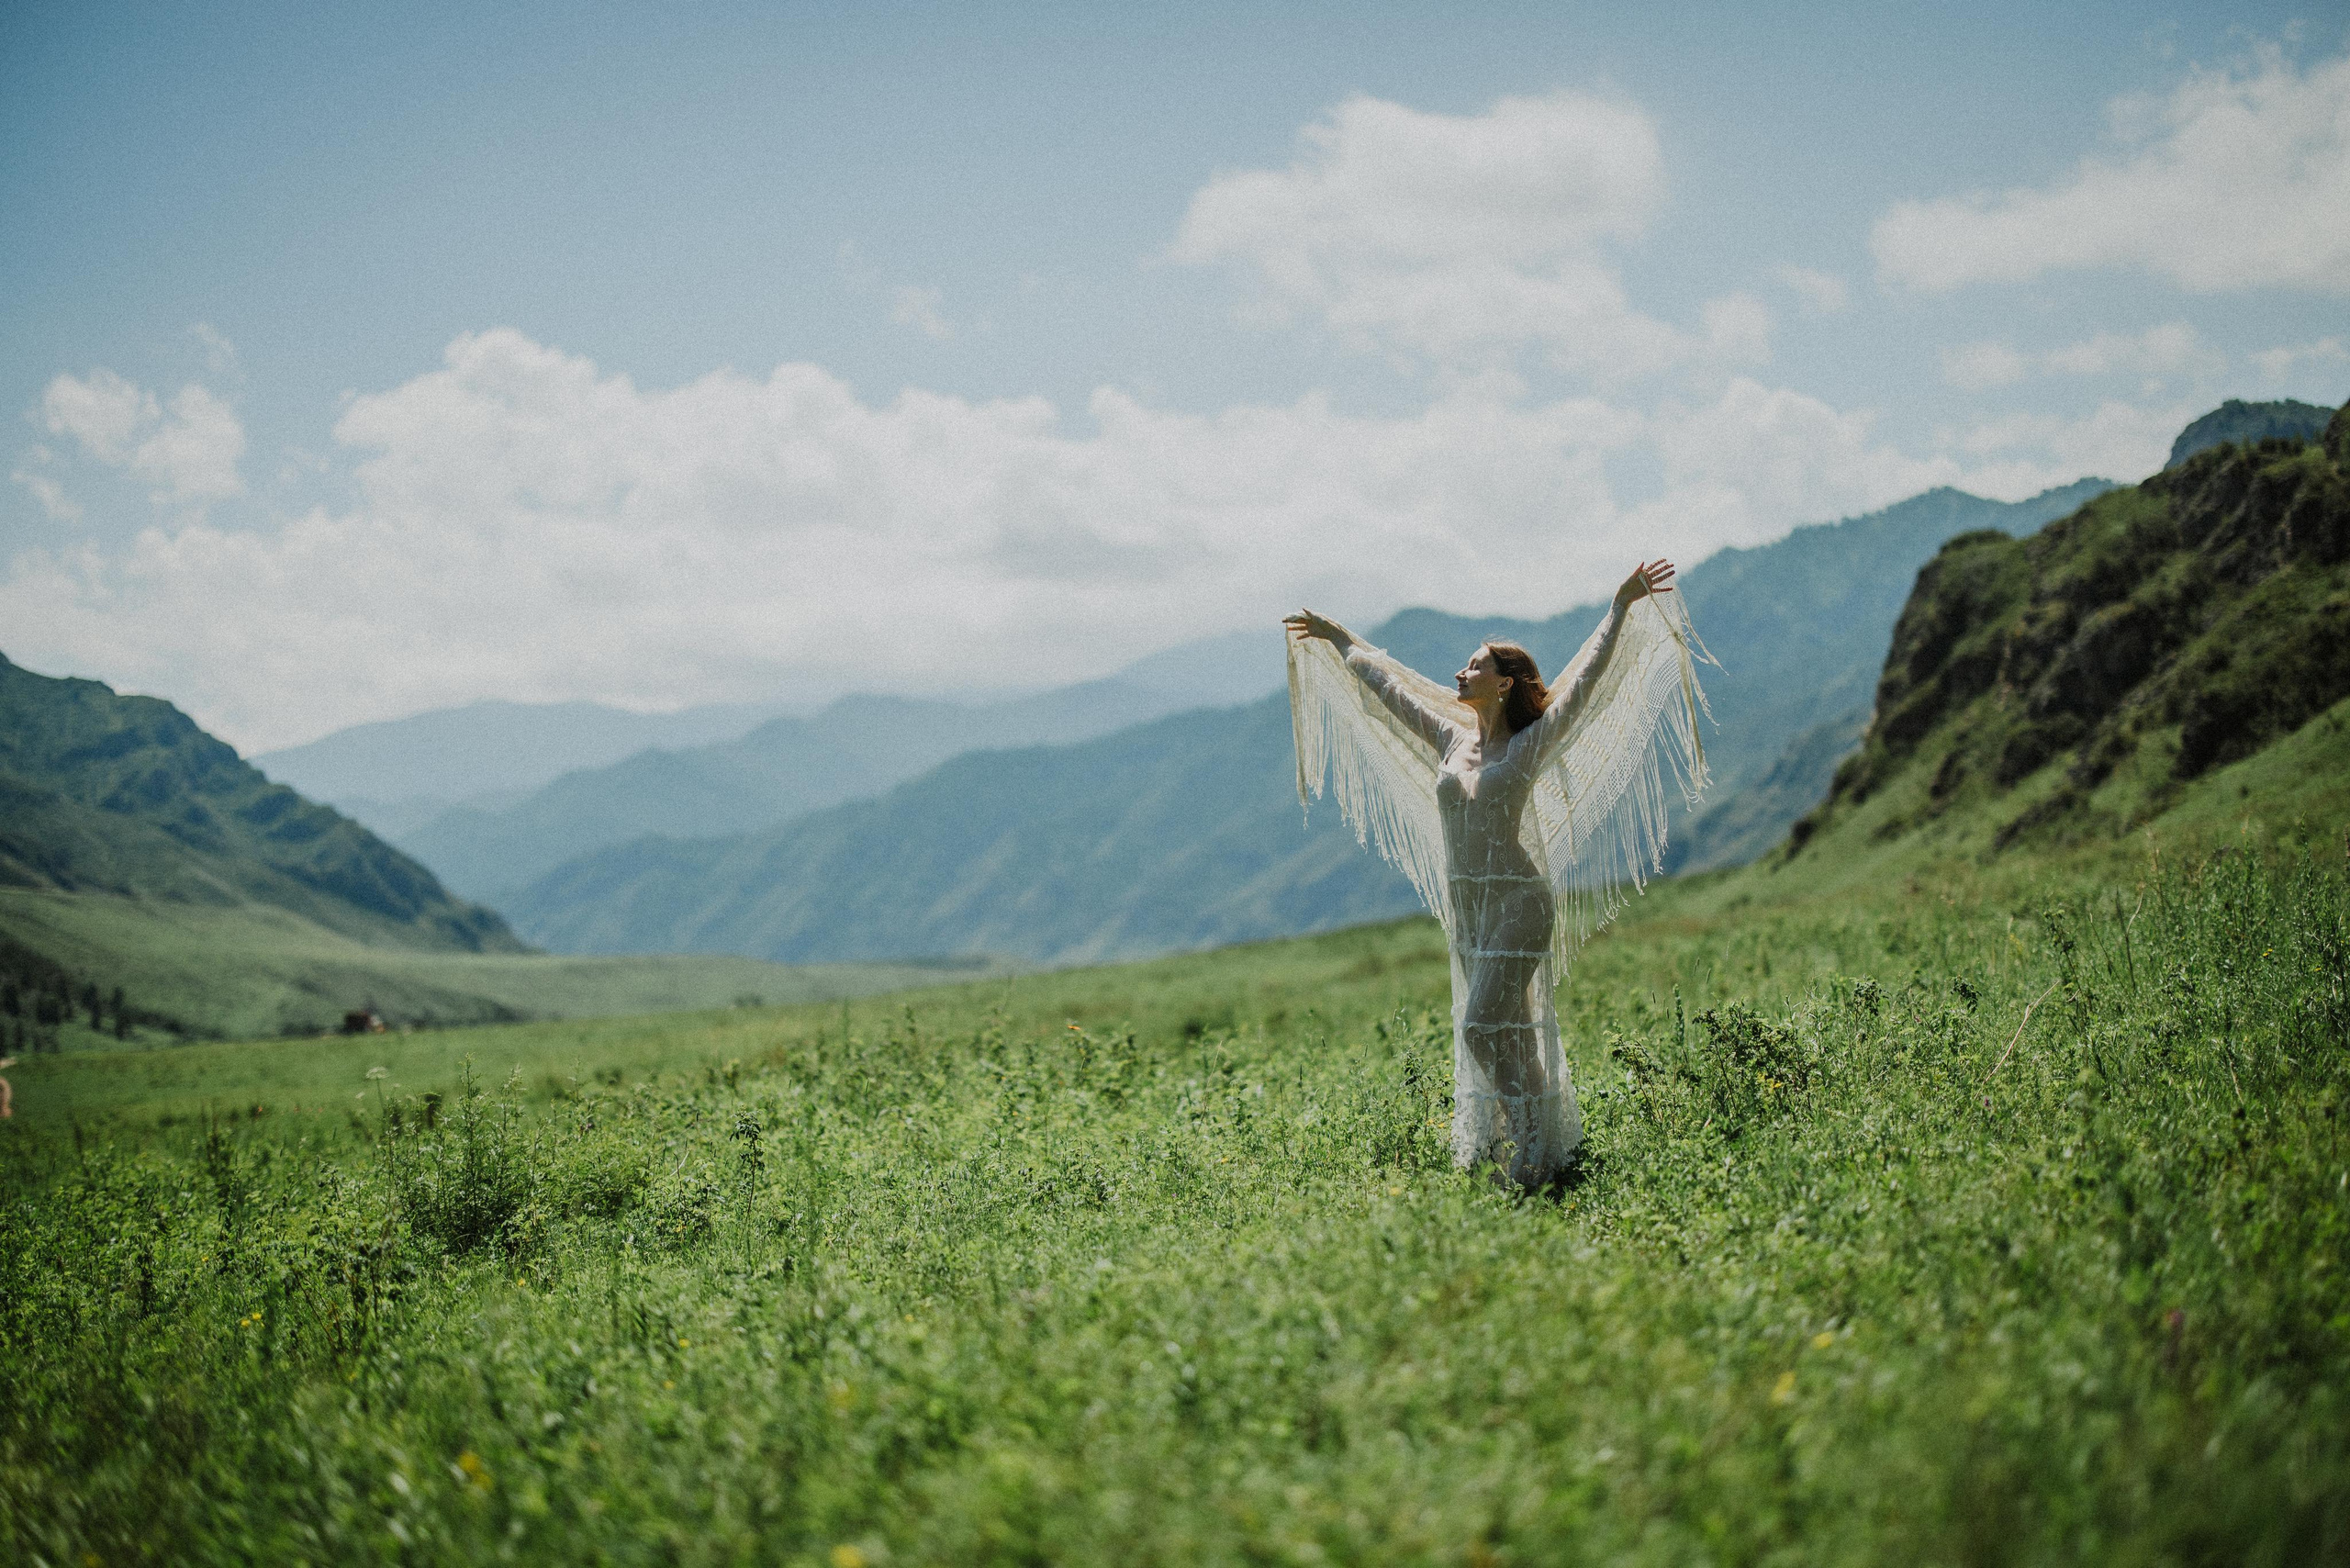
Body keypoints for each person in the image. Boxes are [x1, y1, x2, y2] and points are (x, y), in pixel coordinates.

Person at [1283, 561, 1710, 1188]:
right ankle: (1549, 1153)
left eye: (1475, 665)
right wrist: (1343, 640)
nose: (1461, 672)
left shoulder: (1531, 744)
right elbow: (1388, 691)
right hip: (1472, 910)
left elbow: (1588, 680)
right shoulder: (1451, 740)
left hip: (1520, 901)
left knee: (1484, 1026)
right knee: (1511, 1032)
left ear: (1507, 683)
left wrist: (1620, 606)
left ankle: (1530, 1144)